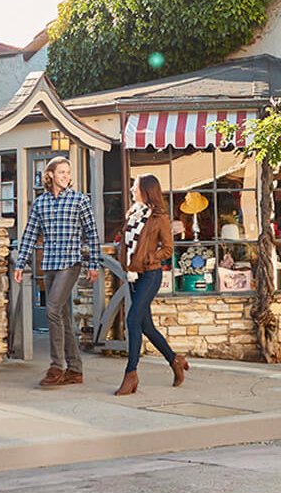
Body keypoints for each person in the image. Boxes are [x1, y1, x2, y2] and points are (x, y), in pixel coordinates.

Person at [15, 156, 100, 388]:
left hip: (70, 264)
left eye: (68, 172)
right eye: (61, 172)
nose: (66, 176)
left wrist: (94, 264)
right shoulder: (40, 203)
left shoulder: (79, 200)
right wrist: (20, 263)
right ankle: (75, 369)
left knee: (51, 310)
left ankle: (56, 366)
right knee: (62, 316)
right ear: (50, 175)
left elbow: (92, 234)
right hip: (50, 265)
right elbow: (30, 234)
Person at [114, 174, 189, 395]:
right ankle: (174, 360)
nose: (131, 190)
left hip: (150, 275)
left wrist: (149, 258)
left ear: (146, 190)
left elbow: (168, 248)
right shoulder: (133, 213)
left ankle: (131, 375)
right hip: (132, 275)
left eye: (135, 187)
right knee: (146, 326)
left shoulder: (159, 217)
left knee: (132, 319)